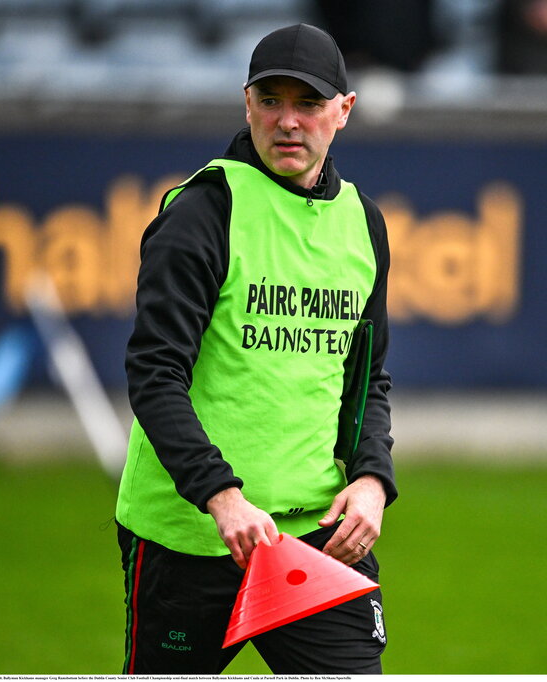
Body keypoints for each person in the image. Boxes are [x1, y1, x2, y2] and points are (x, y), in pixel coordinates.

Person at [115, 23, 397, 675]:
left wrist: (372, 479)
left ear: (344, 111)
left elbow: (366, 380)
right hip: (190, 536)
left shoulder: (363, 223)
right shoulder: (203, 211)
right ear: (248, 105)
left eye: (309, 103)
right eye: (271, 101)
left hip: (315, 536)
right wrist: (221, 495)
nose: (288, 121)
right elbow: (155, 374)